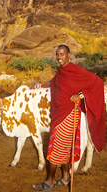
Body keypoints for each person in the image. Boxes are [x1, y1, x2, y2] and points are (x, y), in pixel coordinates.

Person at [32, 44, 106, 191]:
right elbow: (53, 83)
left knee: (55, 150)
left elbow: (97, 82)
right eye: (57, 54)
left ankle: (50, 181)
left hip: (68, 117)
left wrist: (80, 95)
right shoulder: (61, 72)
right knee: (64, 149)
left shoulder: (76, 70)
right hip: (58, 114)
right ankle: (66, 177)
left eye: (62, 54)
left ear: (69, 55)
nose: (59, 57)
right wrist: (38, 86)